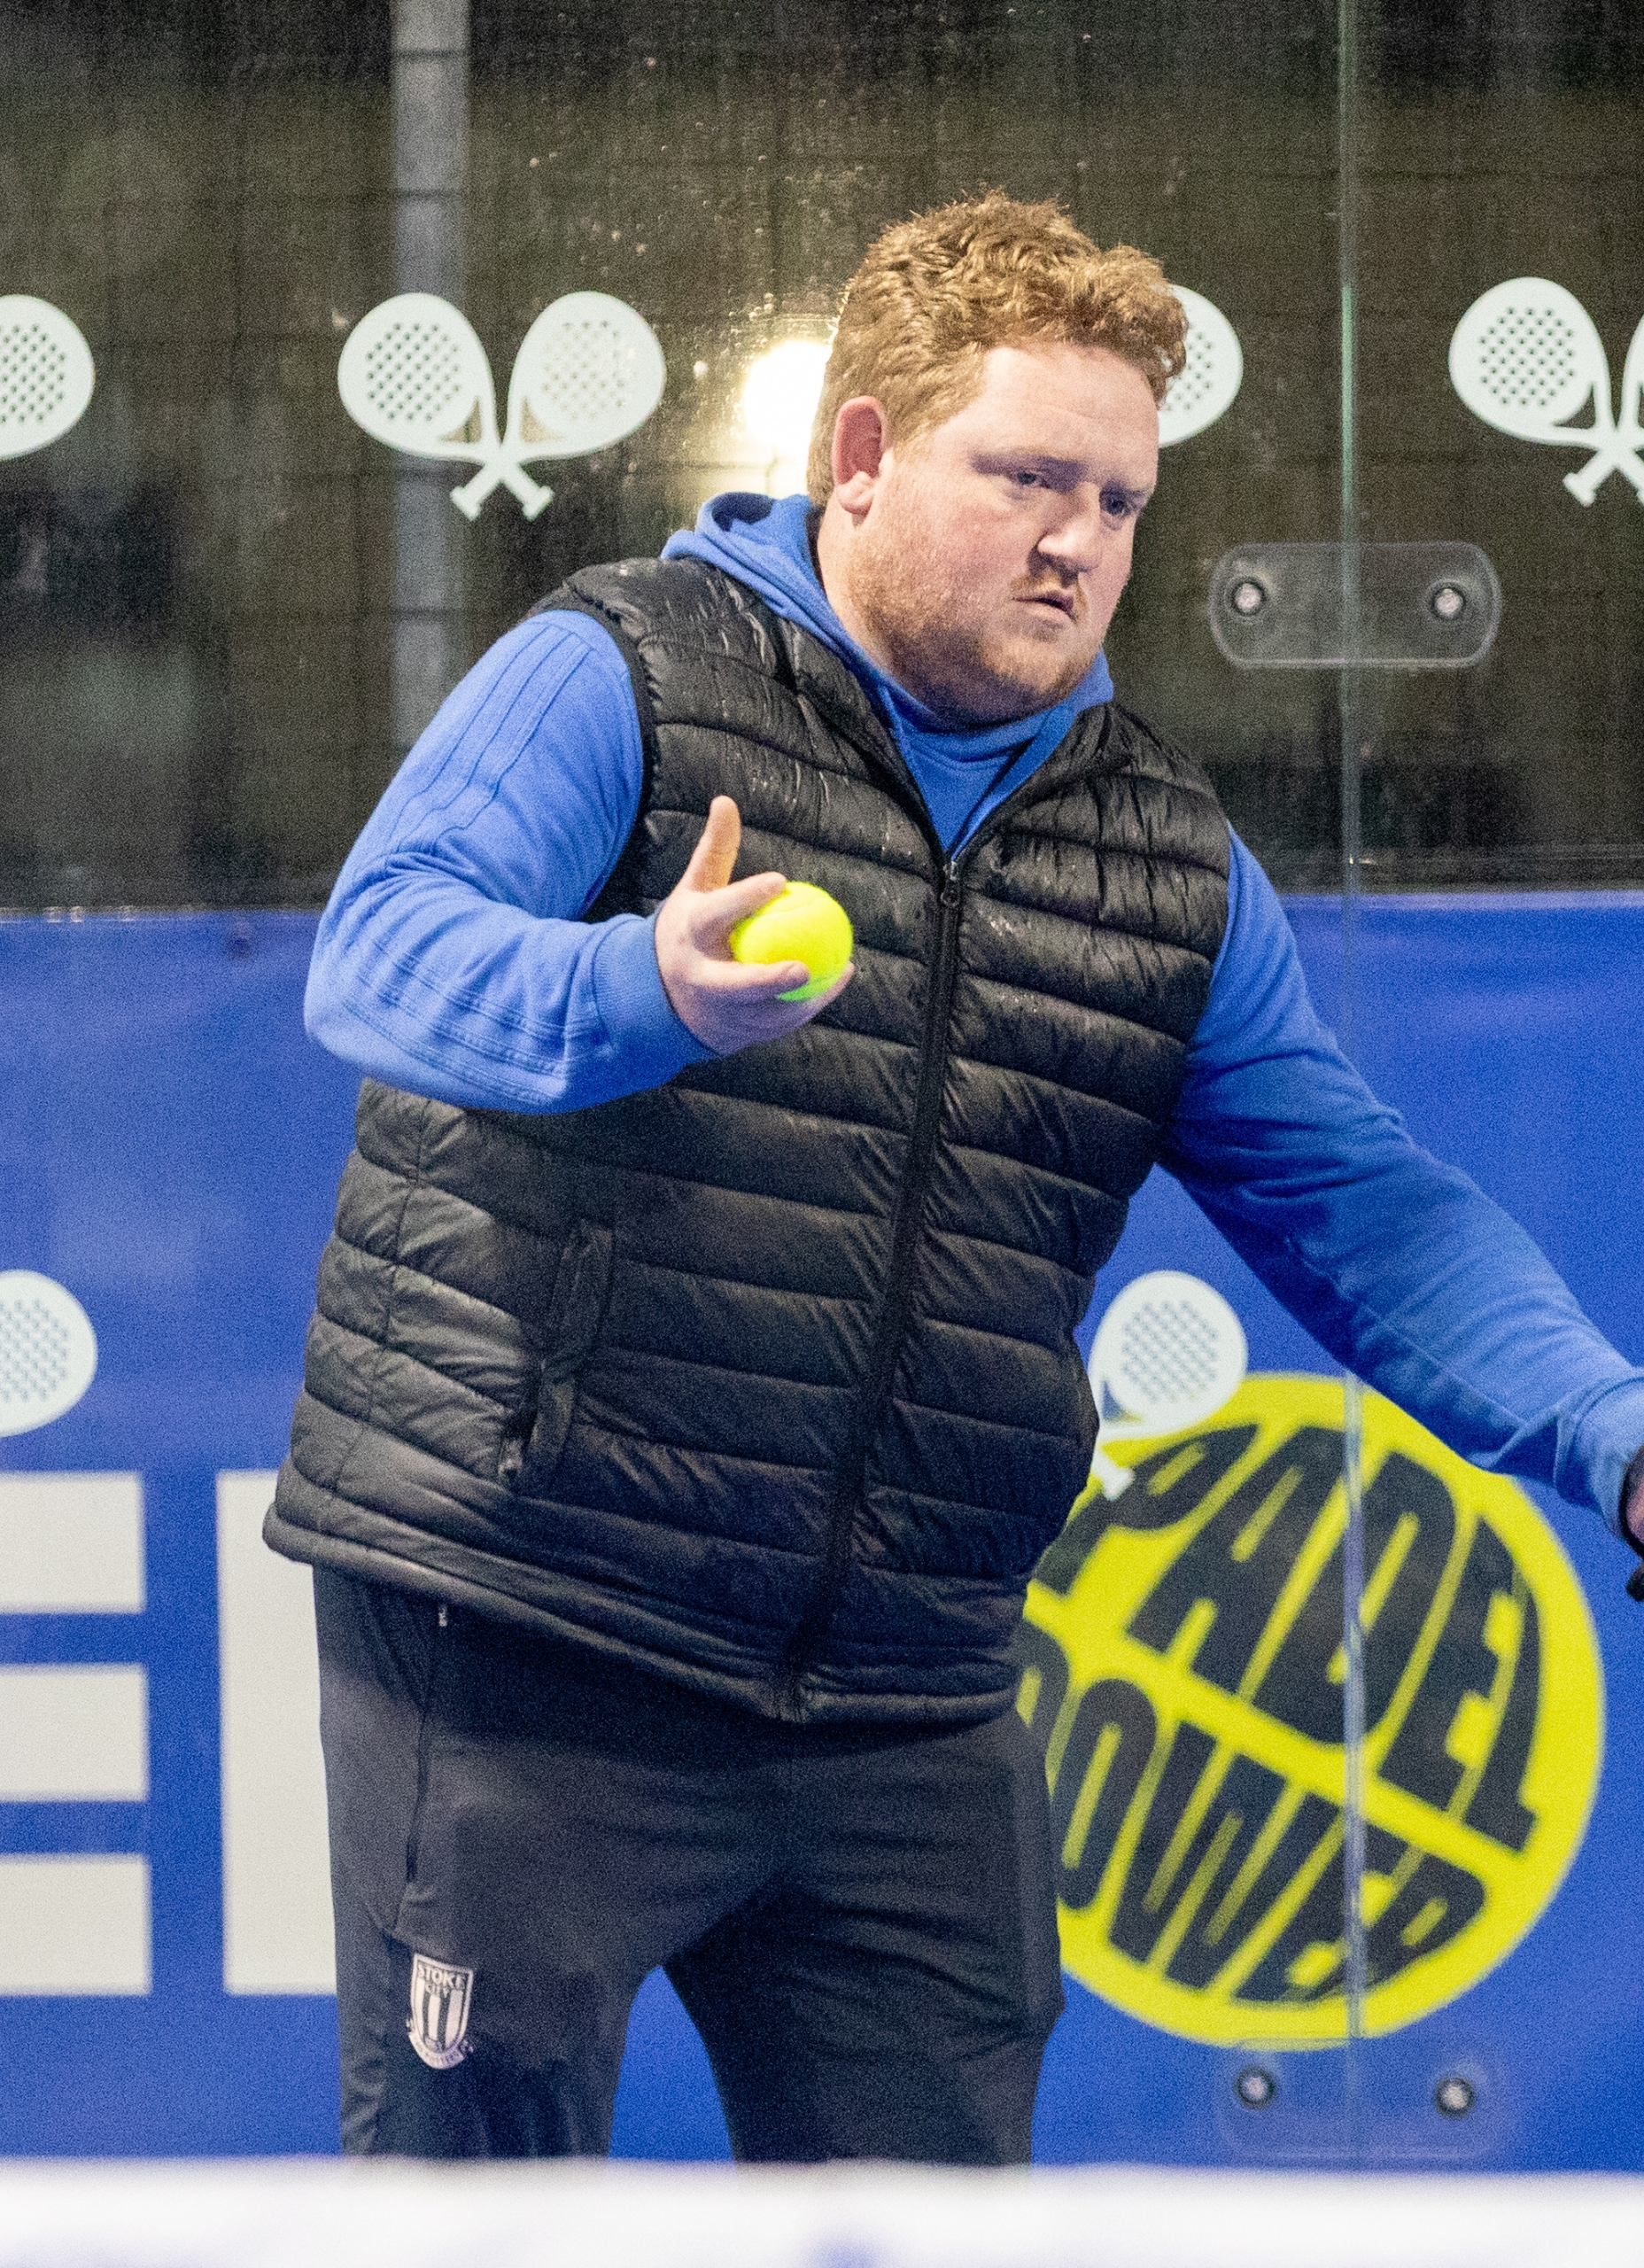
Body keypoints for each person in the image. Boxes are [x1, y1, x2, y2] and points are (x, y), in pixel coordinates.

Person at [267, 191, 1644, 2163]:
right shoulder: (624, 673)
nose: (1077, 537)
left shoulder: (1164, 862)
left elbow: (1365, 1204)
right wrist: (635, 979)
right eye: (1023, 476)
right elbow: (379, 950)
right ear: (857, 455)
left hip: (907, 1696)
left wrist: (1608, 1425)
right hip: (529, 1627)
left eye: (1120, 497)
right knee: (472, 2222)